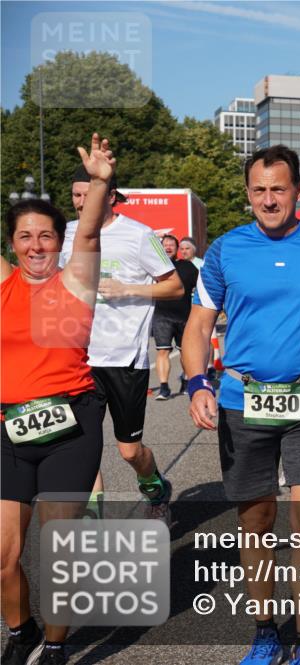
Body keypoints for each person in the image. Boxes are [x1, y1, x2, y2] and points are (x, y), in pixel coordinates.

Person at [183, 145, 300, 665]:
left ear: (298, 190)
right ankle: (266, 630)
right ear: (248, 193)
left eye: (279, 188)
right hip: (241, 401)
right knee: (256, 520)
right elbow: (198, 326)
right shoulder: (225, 251)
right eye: (259, 190)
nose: (269, 199)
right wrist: (198, 382)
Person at [2, 134, 113, 665]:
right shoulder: (4, 285)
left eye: (46, 235)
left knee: (60, 548)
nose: (36, 245)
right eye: (25, 237)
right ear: (13, 245)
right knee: (3, 557)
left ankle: (54, 642)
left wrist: (98, 181)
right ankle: (21, 628)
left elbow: (89, 229)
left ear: (59, 241)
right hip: (8, 429)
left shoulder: (75, 280)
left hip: (71, 423)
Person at [60, 164, 183, 523]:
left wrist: (130, 288)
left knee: (129, 451)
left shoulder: (139, 235)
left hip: (124, 358)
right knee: (81, 446)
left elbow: (174, 286)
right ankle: (92, 516)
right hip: (78, 358)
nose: (81, 203)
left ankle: (155, 487)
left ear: (111, 197)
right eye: (76, 196)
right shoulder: (65, 235)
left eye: (89, 194)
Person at [151, 234, 199, 399]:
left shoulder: (188, 266)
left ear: (177, 249)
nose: (168, 247)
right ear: (161, 247)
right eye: (165, 244)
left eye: (172, 244)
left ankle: (186, 382)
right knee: (162, 350)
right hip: (161, 315)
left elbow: (200, 288)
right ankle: (164, 387)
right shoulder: (153, 267)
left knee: (185, 352)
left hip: (184, 316)